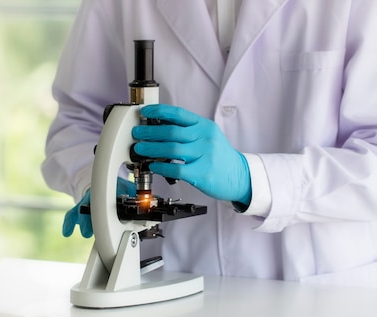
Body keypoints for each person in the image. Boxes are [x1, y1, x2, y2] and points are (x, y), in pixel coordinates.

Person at [41, 0, 377, 287]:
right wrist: (95, 178)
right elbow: (78, 120)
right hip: (167, 282)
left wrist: (253, 178)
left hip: (316, 296)